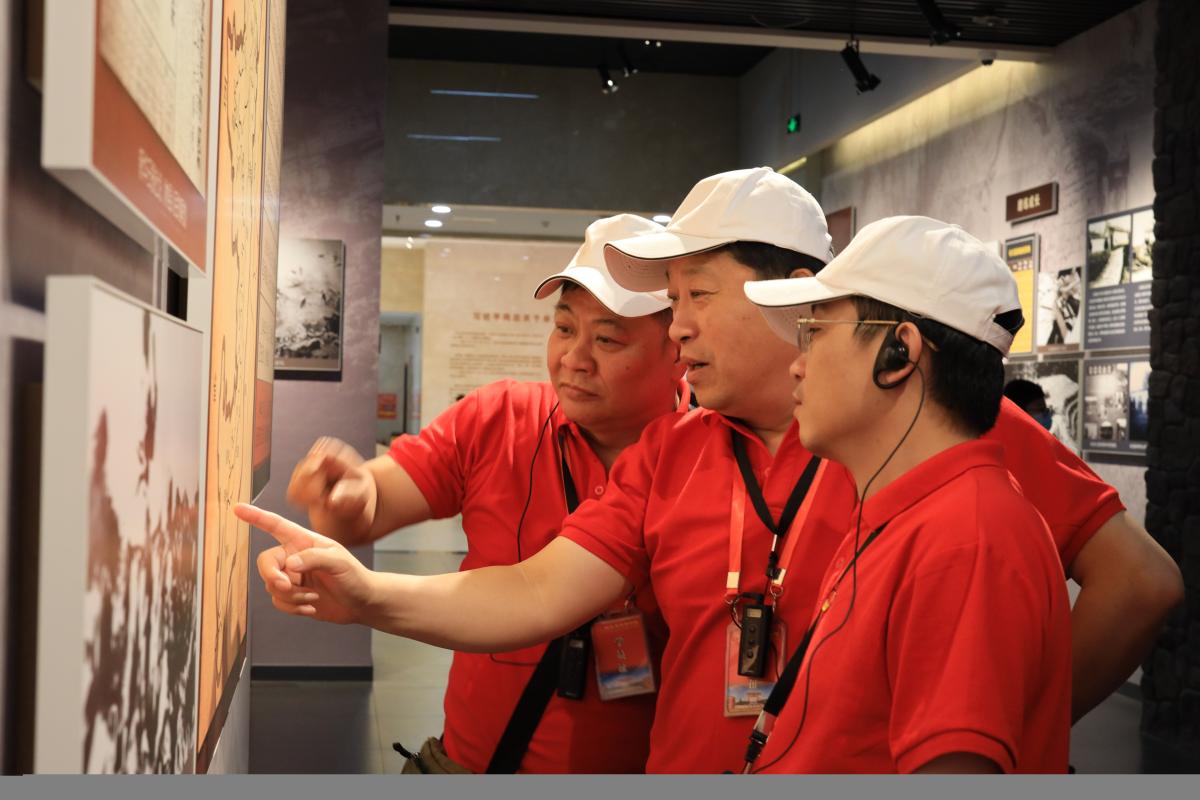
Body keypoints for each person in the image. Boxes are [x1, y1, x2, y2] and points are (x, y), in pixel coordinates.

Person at [241, 167, 1182, 773]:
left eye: (695, 295)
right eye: (669, 300)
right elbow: (535, 590)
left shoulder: (938, 432)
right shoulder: (676, 450)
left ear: (793, 296)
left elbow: (1139, 582)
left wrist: (1009, 727)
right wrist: (369, 595)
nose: (678, 325)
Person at [277, 213, 687, 773]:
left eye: (608, 339)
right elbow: (372, 505)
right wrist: (349, 493)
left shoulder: (707, 455)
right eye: (565, 328)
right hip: (474, 765)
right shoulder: (500, 419)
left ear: (677, 348)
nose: (574, 358)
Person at [742, 215, 1069, 772]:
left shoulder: (965, 543)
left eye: (814, 333)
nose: (796, 365)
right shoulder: (914, 516)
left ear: (899, 351)